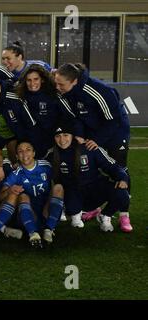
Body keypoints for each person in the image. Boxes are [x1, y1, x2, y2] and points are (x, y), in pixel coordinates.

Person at [54, 63, 132, 231]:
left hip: (116, 131)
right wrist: (81, 135)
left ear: (74, 81)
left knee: (119, 169)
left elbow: (114, 120)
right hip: (93, 131)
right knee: (90, 166)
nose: (57, 87)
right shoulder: (64, 93)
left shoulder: (97, 90)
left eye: (61, 84)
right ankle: (94, 208)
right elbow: (75, 118)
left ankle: (124, 214)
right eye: (56, 83)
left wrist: (96, 139)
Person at [47, 123, 131, 232]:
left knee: (122, 194)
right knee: (73, 213)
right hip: (74, 192)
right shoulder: (52, 155)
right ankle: (75, 212)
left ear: (73, 136)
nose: (62, 140)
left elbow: (113, 166)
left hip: (96, 188)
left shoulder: (89, 147)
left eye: (65, 135)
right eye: (58, 136)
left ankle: (105, 215)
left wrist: (122, 179)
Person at [0, 140, 64, 247]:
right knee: (23, 196)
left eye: (28, 150)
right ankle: (33, 234)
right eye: (20, 151)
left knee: (58, 187)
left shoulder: (46, 166)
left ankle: (49, 229)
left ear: (34, 153)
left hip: (46, 211)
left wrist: (50, 204)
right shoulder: (15, 174)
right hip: (27, 214)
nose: (24, 154)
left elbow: (54, 186)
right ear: (17, 156)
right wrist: (10, 191)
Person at [0, 70, 36, 164]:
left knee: (16, 151)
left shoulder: (14, 99)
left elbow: (31, 124)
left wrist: (26, 146)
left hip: (16, 137)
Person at [15, 64, 70, 158]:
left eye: (36, 79)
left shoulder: (54, 94)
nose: (32, 83)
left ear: (42, 80)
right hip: (34, 144)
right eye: (29, 80)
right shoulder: (21, 97)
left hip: (55, 143)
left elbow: (68, 116)